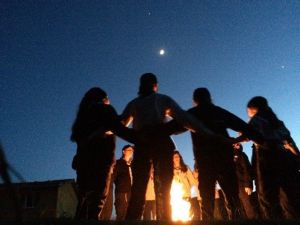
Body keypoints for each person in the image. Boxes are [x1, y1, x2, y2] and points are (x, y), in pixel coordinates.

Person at [121, 73, 213, 220]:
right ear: (155, 86)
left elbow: (121, 125)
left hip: (145, 144)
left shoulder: (135, 103)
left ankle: (134, 220)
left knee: (141, 188)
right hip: (157, 143)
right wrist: (206, 131)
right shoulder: (161, 99)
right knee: (160, 187)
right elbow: (183, 118)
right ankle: (161, 219)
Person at [164, 88, 263, 220]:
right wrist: (237, 140)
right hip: (223, 158)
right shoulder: (219, 112)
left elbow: (171, 128)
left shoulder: (192, 114)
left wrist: (152, 130)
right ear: (209, 98)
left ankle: (209, 220)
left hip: (205, 160)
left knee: (207, 196)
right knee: (231, 195)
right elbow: (245, 128)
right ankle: (236, 218)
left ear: (194, 100)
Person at [70, 87, 136, 220]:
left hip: (82, 164)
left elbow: (79, 137)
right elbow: (119, 127)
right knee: (96, 203)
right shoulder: (105, 109)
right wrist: (140, 139)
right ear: (104, 98)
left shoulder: (83, 115)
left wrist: (104, 129)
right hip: (100, 163)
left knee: (83, 203)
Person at [239, 96, 300, 219]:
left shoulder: (257, 119)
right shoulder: (278, 123)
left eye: (248, 112)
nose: (248, 115)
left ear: (252, 109)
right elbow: (291, 143)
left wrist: (233, 140)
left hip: (266, 159)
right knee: (288, 198)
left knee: (267, 198)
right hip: (285, 161)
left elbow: (244, 134)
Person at [233, 143, 258, 219]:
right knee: (241, 207)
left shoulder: (241, 155)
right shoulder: (230, 156)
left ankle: (253, 220)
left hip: (243, 185)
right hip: (235, 186)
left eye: (237, 144)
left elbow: (247, 169)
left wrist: (248, 184)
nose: (235, 145)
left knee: (248, 205)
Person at [172, 150, 198, 219]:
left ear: (180, 158)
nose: (176, 158)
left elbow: (193, 182)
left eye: (178, 156)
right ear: (172, 159)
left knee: (188, 218)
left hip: (187, 197)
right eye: (175, 157)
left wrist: (193, 196)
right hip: (175, 199)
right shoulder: (170, 170)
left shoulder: (185, 168)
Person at [113, 145, 134, 220]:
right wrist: (120, 185)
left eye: (132, 150)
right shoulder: (118, 163)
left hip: (131, 192)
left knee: (130, 216)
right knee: (121, 215)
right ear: (123, 151)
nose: (131, 152)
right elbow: (114, 177)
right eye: (129, 150)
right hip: (122, 192)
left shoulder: (132, 164)